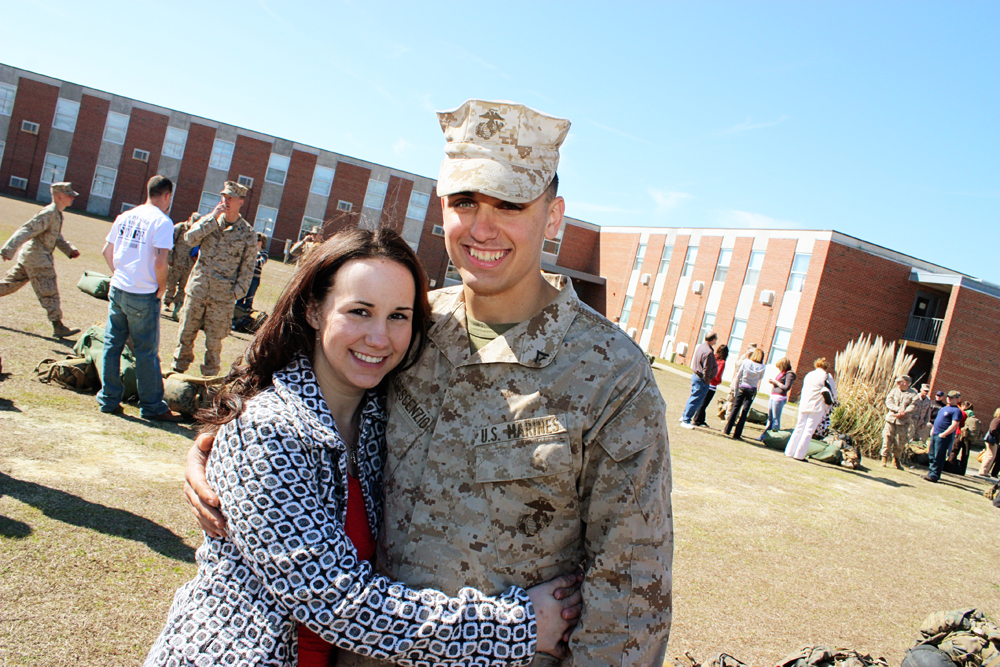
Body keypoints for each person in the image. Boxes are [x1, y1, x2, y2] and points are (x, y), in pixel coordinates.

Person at [186, 99, 673, 666]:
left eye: (510, 202)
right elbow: (295, 407)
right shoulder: (406, 323)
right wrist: (210, 455)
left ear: (554, 215)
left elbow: (631, 594)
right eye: (464, 201)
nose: (482, 227)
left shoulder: (612, 375)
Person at [145, 227, 582, 666]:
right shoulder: (268, 428)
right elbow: (337, 602)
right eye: (360, 311)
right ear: (314, 310)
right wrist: (520, 628)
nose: (379, 337)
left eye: (398, 316)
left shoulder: (382, 415)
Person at [96, 176, 183, 422]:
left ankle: (109, 399)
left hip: (119, 288)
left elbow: (106, 250)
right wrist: (162, 287)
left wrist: (120, 274)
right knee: (145, 352)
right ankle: (153, 406)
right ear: (167, 196)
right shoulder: (162, 222)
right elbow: (160, 260)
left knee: (112, 345)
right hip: (143, 293)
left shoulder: (125, 216)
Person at [172, 181, 258, 376]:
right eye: (224, 197)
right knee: (185, 333)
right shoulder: (210, 221)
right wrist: (212, 218)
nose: (226, 201)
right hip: (198, 289)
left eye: (231, 198)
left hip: (222, 296)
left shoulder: (247, 233)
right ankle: (177, 372)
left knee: (214, 341)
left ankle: (209, 379)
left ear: (240, 202)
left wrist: (236, 293)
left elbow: (247, 267)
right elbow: (189, 239)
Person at [0, 181, 82, 338]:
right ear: (59, 196)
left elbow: (55, 236)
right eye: (69, 195)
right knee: (49, 292)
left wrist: (69, 250)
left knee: (9, 285)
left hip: (31, 257)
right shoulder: (49, 213)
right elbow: (27, 229)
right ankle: (58, 326)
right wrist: (8, 249)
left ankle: (58, 326)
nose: (72, 198)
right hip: (38, 259)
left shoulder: (56, 214)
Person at [784, 358, 832, 461]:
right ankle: (800, 454)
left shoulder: (809, 374)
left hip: (804, 404)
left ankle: (789, 451)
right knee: (808, 431)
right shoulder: (826, 376)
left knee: (799, 427)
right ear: (826, 366)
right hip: (816, 406)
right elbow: (831, 391)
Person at [162, 212, 199, 321]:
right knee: (171, 283)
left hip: (188, 264)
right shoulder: (179, 227)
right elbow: (169, 243)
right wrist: (169, 258)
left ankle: (177, 307)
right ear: (189, 218)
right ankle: (166, 302)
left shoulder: (198, 232)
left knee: (183, 287)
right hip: (176, 261)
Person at [724, 347, 766, 440]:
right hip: (752, 389)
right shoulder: (762, 367)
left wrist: (735, 389)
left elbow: (738, 375)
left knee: (735, 408)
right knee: (745, 411)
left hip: (743, 387)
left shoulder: (746, 362)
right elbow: (761, 378)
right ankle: (737, 434)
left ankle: (727, 429)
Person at [681, 331, 718, 428]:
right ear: (713, 339)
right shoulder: (709, 352)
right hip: (701, 379)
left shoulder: (702, 346)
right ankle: (686, 420)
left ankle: (684, 416)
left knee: (693, 397)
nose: (716, 341)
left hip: (696, 376)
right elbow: (707, 368)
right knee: (696, 399)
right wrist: (707, 380)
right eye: (716, 339)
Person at [923, 390, 962, 483]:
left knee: (939, 455)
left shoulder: (956, 410)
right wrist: (933, 430)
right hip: (935, 433)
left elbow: (955, 424)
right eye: (948, 396)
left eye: (952, 397)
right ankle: (930, 472)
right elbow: (937, 420)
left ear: (957, 399)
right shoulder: (944, 408)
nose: (949, 399)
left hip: (943, 436)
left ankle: (934, 475)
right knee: (932, 454)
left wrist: (944, 434)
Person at [880, 375, 918, 469]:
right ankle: (884, 458)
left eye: (898, 382)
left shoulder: (913, 394)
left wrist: (904, 412)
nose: (897, 384)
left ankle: (896, 460)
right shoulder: (894, 391)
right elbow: (889, 402)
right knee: (887, 438)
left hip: (903, 421)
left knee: (900, 441)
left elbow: (914, 406)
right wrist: (898, 410)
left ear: (905, 383)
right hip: (891, 419)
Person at [759, 357, 796, 440]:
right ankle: (765, 435)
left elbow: (786, 387)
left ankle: (773, 437)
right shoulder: (782, 373)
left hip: (779, 398)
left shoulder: (790, 374)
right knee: (770, 417)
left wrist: (776, 382)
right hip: (773, 395)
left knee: (775, 418)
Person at [693, 344, 728, 427]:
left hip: (704, 381)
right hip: (712, 385)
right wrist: (719, 381)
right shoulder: (722, 362)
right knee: (704, 403)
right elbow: (718, 375)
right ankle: (697, 420)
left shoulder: (712, 357)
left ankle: (701, 419)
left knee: (701, 401)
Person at [234, 232, 268, 313]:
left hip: (254, 279)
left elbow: (261, 263)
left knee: (249, 299)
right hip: (245, 278)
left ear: (262, 242)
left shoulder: (263, 253)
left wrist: (251, 259)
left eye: (258, 240)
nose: (255, 241)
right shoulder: (248, 251)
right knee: (240, 298)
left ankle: (245, 316)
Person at [978, 407, 1000, 479]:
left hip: (993, 440)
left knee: (989, 455)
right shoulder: (997, 420)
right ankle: (984, 471)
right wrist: (998, 435)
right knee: (991, 456)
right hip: (992, 440)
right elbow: (993, 429)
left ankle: (983, 470)